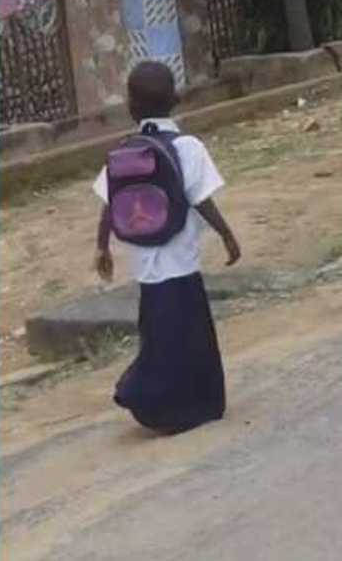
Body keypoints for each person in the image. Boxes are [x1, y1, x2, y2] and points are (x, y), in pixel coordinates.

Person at [94, 61, 242, 435]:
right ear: (175, 100)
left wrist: (102, 248)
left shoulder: (125, 152)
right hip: (182, 264)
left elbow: (109, 204)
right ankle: (192, 403)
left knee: (158, 338)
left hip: (146, 268)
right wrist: (226, 234)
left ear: (130, 106)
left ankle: (159, 403)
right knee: (191, 338)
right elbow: (202, 200)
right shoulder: (188, 146)